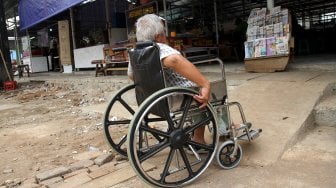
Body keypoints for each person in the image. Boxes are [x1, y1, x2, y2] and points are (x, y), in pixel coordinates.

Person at [127, 14, 211, 145]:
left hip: (151, 99)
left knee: (196, 90)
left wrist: (153, 83)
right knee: (210, 94)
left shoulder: (135, 52)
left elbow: (131, 75)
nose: (164, 36)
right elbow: (174, 60)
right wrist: (205, 84)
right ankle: (203, 137)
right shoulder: (159, 48)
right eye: (163, 33)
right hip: (174, 98)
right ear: (158, 36)